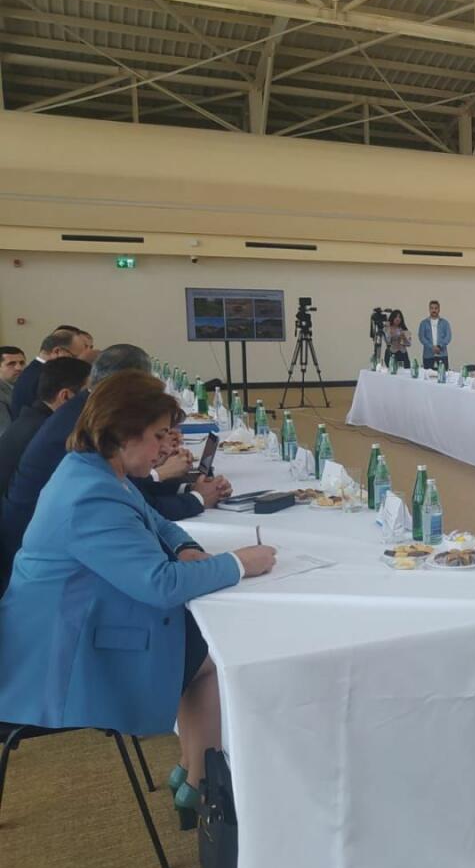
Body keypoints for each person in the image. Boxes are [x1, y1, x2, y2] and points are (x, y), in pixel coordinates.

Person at [0, 369, 277, 827]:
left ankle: (192, 773)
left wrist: (185, 546)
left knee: (194, 642)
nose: (164, 448)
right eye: (157, 436)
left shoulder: (93, 467)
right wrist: (239, 563)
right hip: (57, 656)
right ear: (123, 433)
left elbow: (153, 520)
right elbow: (161, 584)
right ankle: (201, 786)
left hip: (70, 620)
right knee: (211, 658)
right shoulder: (89, 495)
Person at [1, 345, 229, 576]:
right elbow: (156, 579)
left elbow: (141, 502)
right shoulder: (84, 436)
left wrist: (186, 489)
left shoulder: (89, 415)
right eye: (158, 435)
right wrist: (199, 501)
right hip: (43, 564)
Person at [0, 357, 90, 500]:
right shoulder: (50, 433)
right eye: (87, 394)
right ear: (65, 396)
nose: (91, 402)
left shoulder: (30, 419)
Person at [9, 327, 90, 419]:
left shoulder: (33, 370)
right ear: (57, 351)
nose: (77, 362)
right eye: (75, 357)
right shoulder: (43, 375)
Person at [417, 300, 452, 370]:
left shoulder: (445, 323)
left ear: (439, 309)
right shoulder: (423, 323)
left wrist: (439, 346)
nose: (434, 310)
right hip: (428, 354)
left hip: (442, 354)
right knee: (428, 375)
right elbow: (422, 337)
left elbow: (448, 337)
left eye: (436, 308)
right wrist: (432, 347)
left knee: (443, 374)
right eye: (432, 308)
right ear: (429, 309)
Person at [0, 345, 26, 435]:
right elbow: (5, 433)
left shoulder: (25, 386)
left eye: (22, 363)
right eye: (11, 364)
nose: (19, 368)